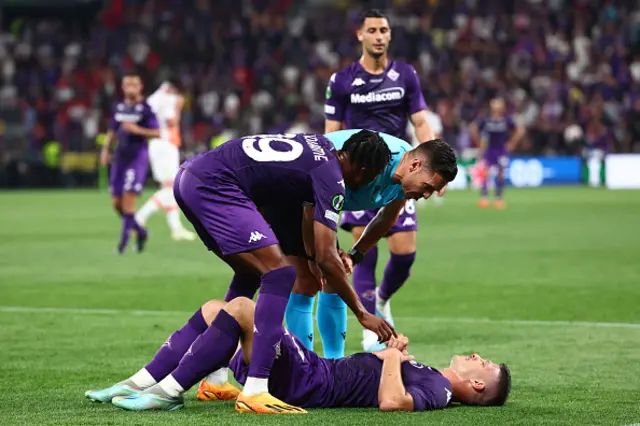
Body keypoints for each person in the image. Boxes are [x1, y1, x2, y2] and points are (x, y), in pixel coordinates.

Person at [102, 130, 396, 414]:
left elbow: (305, 215)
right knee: (280, 274)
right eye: (370, 177)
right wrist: (362, 313)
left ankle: (154, 381)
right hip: (216, 186)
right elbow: (327, 256)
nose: (368, 184)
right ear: (362, 168)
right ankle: (256, 389)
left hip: (191, 177)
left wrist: (311, 257)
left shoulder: (316, 145)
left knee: (250, 273)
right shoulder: (333, 179)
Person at [288, 8, 443, 355]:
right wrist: (333, 175)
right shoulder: (342, 80)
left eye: (384, 30)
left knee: (404, 254)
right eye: (371, 30)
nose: (378, 36)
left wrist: (433, 165)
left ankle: (382, 299)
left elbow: (420, 122)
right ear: (360, 34)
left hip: (399, 172)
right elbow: (330, 134)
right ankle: (364, 331)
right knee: (336, 265)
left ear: (390, 35)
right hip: (356, 176)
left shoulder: (406, 75)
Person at [86, 297, 511, 413]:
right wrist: (393, 356)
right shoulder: (432, 376)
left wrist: (395, 356)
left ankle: (168, 392)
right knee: (217, 309)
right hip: (312, 369)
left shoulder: (439, 390)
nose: (477, 356)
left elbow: (392, 403)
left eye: (484, 363)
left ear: (477, 384)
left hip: (310, 383)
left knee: (244, 310)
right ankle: (142, 380)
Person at [100, 71, 160, 254]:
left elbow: (157, 133)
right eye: (127, 84)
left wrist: (137, 129)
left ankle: (122, 245)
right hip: (120, 159)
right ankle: (141, 232)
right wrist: (105, 150)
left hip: (137, 158)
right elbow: (111, 132)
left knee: (128, 202)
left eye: (134, 84)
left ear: (140, 87)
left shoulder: (146, 108)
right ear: (123, 87)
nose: (131, 87)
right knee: (116, 204)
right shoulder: (119, 108)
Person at [136, 80, 196, 241]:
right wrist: (178, 106)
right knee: (170, 189)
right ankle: (139, 218)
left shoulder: (153, 99)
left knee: (168, 188)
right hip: (166, 143)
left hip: (156, 143)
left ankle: (176, 229)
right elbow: (172, 122)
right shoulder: (169, 99)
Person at [470, 98, 525, 209]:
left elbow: (520, 131)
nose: (496, 106)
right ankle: (484, 198)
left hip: (501, 150)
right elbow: (473, 129)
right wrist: (479, 143)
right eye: (495, 104)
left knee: (500, 174)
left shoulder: (506, 120)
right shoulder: (486, 120)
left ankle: (498, 198)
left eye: (498, 104)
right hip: (489, 149)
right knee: (485, 173)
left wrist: (512, 143)